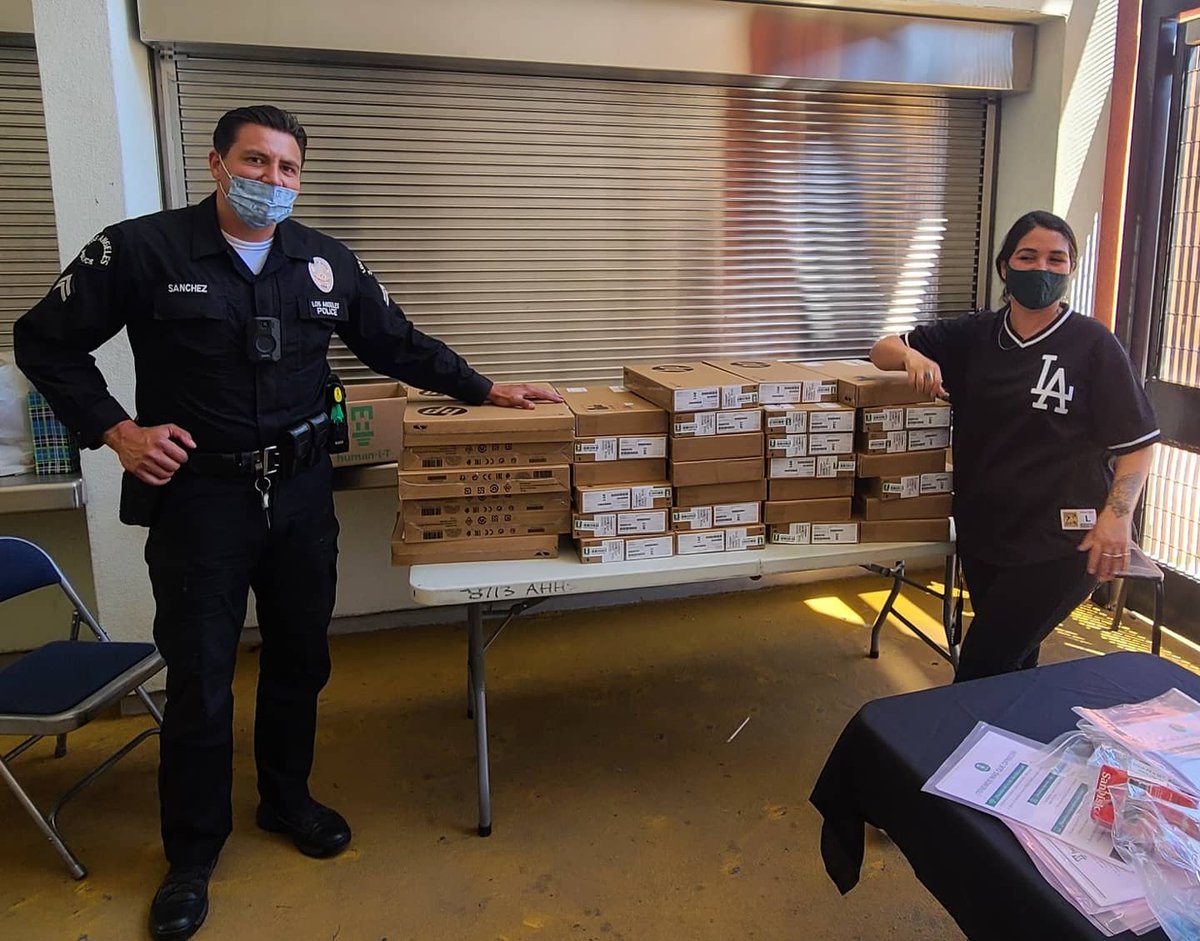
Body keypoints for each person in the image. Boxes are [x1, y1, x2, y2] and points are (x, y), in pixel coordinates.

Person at [14, 105, 559, 941]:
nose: (272, 181)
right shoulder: (141, 249)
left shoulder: (325, 261)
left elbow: (397, 343)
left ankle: (285, 798)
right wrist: (119, 431)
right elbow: (44, 340)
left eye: (288, 168)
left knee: (302, 656)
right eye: (256, 162)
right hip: (201, 502)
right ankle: (191, 854)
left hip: (302, 495)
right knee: (199, 676)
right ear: (217, 163)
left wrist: (487, 390)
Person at [869, 210, 1159, 684]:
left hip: (1063, 541)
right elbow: (881, 349)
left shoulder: (1093, 345)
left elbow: (1139, 443)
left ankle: (962, 756)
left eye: (1056, 259)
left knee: (981, 668)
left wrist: (1118, 515)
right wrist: (912, 354)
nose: (1042, 269)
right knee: (1013, 670)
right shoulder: (975, 336)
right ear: (1005, 266)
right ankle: (1013, 754)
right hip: (988, 536)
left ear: (1069, 270)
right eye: (1028, 256)